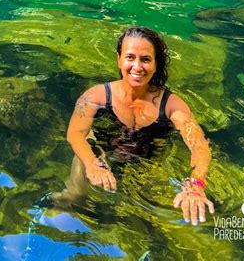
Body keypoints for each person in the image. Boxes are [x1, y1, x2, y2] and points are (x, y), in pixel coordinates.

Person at [63, 26, 214, 226]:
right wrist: (92, 165)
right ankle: (71, 197)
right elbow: (75, 133)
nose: (137, 67)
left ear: (155, 64)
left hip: (147, 161)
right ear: (119, 59)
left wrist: (196, 185)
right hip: (103, 152)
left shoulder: (170, 104)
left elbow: (199, 145)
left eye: (145, 59)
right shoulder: (96, 96)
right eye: (130, 57)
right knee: (85, 152)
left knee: (155, 216)